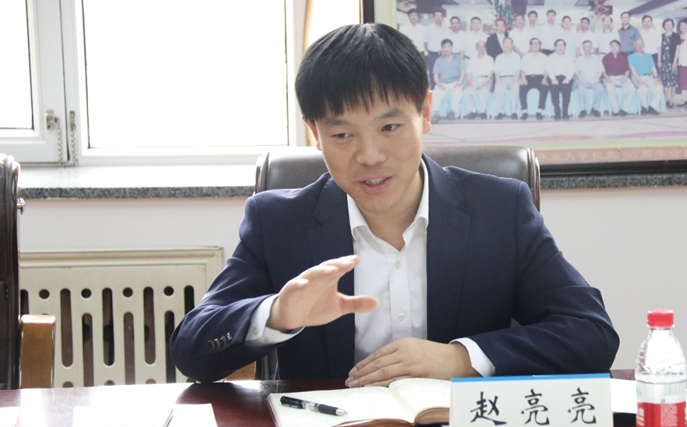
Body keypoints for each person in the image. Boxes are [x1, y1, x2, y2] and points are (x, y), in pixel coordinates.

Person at [169, 23, 619, 385]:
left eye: (389, 128)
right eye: (342, 134)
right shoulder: (278, 222)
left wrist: (460, 359)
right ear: (314, 133)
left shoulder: (500, 210)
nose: (369, 156)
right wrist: (278, 314)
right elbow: (191, 351)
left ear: (425, 112)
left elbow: (591, 334)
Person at [431, 39, 465, 122]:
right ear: (442, 48)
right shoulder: (439, 60)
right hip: (443, 83)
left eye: (449, 46)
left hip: (455, 82)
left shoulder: (458, 58)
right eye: (444, 47)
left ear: (452, 47)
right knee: (436, 92)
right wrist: (439, 84)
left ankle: (451, 112)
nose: (447, 49)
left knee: (458, 92)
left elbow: (463, 71)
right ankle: (436, 114)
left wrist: (459, 82)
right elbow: (435, 75)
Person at [628, 38, 663, 115]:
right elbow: (633, 71)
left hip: (649, 77)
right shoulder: (631, 57)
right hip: (637, 77)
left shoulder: (648, 56)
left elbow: (653, 68)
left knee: (659, 87)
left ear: (644, 46)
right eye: (637, 44)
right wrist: (639, 80)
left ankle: (652, 107)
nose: (639, 46)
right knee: (642, 89)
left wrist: (656, 78)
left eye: (641, 44)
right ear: (634, 45)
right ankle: (644, 107)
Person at [602, 40, 635, 116]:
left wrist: (625, 77)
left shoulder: (624, 57)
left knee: (631, 88)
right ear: (610, 47)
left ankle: (624, 109)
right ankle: (615, 110)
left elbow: (627, 70)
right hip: (610, 78)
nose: (614, 47)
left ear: (619, 47)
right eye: (612, 46)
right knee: (609, 89)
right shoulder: (606, 57)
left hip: (622, 77)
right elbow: (602, 71)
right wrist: (607, 78)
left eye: (616, 45)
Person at [519, 38, 549, 120]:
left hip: (540, 78)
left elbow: (547, 70)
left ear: (540, 45)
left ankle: (539, 111)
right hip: (528, 78)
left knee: (544, 87)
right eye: (533, 43)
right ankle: (524, 111)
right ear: (530, 46)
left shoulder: (545, 57)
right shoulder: (525, 57)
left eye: (537, 43)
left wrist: (545, 79)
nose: (535, 45)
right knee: (522, 87)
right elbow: (522, 70)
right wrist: (524, 79)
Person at [463, 41, 494, 119]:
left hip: (485, 79)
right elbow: (468, 72)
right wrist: (469, 82)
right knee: (467, 91)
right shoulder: (472, 59)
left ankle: (483, 111)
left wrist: (487, 81)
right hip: (474, 80)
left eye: (483, 46)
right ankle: (473, 111)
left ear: (485, 48)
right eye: (479, 46)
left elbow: (491, 72)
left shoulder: (489, 59)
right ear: (476, 48)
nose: (481, 48)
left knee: (484, 91)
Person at [575, 40, 605, 117]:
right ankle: (582, 110)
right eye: (585, 47)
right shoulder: (579, 59)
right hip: (583, 81)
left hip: (594, 81)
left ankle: (595, 109)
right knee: (581, 89)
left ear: (592, 48)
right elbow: (576, 72)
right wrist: (580, 79)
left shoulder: (597, 58)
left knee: (600, 89)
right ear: (583, 48)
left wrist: (597, 78)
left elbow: (600, 71)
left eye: (589, 47)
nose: (587, 49)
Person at [494, 36, 522, 119]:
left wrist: (515, 80)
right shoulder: (498, 57)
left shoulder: (517, 57)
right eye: (505, 43)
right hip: (502, 79)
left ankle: (514, 112)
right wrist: (498, 80)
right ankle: (501, 111)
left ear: (512, 45)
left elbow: (518, 70)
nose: (507, 45)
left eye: (509, 43)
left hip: (514, 78)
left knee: (515, 87)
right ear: (503, 45)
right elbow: (496, 71)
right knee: (499, 88)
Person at [546, 39, 574, 121]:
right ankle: (557, 112)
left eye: (562, 45)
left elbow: (572, 69)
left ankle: (565, 112)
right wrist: (553, 79)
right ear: (555, 47)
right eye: (558, 45)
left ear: (565, 47)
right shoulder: (551, 57)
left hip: (566, 78)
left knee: (566, 90)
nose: (560, 47)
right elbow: (549, 69)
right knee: (554, 90)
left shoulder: (569, 57)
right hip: (554, 78)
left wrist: (568, 79)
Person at [424, 9, 451, 87]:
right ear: (433, 17)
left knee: (444, 74)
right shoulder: (428, 29)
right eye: (436, 16)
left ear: (443, 17)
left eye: (440, 16)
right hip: (432, 55)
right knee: (433, 75)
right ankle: (433, 92)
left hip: (444, 55)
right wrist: (430, 52)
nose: (438, 18)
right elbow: (425, 43)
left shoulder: (446, 30)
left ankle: (442, 91)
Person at [659, 18, 681, 109]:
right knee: (665, 81)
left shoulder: (676, 36)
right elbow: (659, 49)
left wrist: (675, 62)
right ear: (664, 26)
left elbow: (678, 50)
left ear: (673, 25)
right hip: (664, 62)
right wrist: (659, 61)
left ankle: (672, 99)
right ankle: (666, 99)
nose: (668, 26)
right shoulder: (661, 36)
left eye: (670, 24)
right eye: (666, 24)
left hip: (672, 61)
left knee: (673, 81)